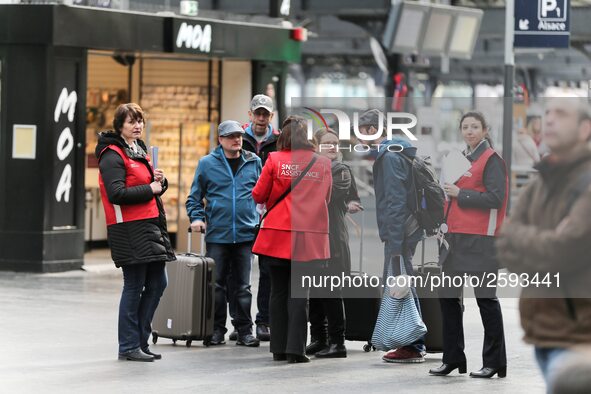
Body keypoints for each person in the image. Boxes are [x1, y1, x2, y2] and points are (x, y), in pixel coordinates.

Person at [496, 98, 591, 387]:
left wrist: (523, 238)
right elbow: (505, 245)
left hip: (580, 334)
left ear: (585, 128)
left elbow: (564, 249)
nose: (549, 119)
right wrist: (542, 243)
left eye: (561, 114)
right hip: (545, 329)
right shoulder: (541, 182)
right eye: (547, 113)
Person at [429, 111, 508, 378]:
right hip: (454, 239)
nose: (470, 131)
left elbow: (496, 198)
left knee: (486, 300)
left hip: (482, 241)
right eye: (465, 127)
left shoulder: (492, 160)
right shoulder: (458, 159)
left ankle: (495, 361)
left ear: (485, 130)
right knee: (448, 298)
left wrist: (460, 193)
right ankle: (452, 357)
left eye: (475, 127)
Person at [95, 103, 175, 362]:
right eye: (131, 122)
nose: (138, 126)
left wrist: (160, 183)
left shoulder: (138, 149)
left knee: (158, 282)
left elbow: (148, 187)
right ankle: (128, 345)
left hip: (150, 225)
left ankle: (140, 340)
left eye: (140, 121)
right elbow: (116, 193)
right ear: (120, 126)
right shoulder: (112, 154)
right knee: (134, 285)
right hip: (129, 228)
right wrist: (150, 189)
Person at [252, 115, 332, 363]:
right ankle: (296, 350)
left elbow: (258, 195)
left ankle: (278, 348)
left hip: (276, 234)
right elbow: (326, 198)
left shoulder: (274, 160)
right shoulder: (322, 163)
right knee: (300, 294)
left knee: (277, 292)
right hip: (308, 237)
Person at [186, 120, 262, 348]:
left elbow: (263, 194)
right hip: (218, 234)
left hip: (246, 234)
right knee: (216, 286)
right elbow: (194, 197)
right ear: (220, 139)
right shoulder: (207, 164)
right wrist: (197, 218)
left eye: (238, 135)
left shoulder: (254, 161)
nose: (236, 139)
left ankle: (244, 330)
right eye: (230, 136)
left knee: (243, 286)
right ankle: (217, 329)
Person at [361, 109, 426, 363]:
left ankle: (414, 344)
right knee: (402, 283)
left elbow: (395, 201)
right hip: (406, 229)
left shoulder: (389, 157)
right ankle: (412, 341)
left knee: (401, 284)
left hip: (401, 232)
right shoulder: (396, 151)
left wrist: (395, 242)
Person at [306, 128, 362, 359]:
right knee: (315, 292)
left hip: (334, 238)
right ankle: (319, 339)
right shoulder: (310, 169)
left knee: (331, 291)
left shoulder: (340, 169)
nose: (332, 146)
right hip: (313, 239)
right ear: (316, 146)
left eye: (335, 143)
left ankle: (337, 343)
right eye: (327, 143)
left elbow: (322, 195)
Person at [237, 94, 281, 342]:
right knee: (238, 274)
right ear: (250, 114)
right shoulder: (238, 138)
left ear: (271, 116)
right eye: (258, 113)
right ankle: (240, 324)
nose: (261, 118)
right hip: (243, 213)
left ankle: (264, 321)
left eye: (266, 114)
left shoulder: (278, 141)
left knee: (267, 271)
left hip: (269, 215)